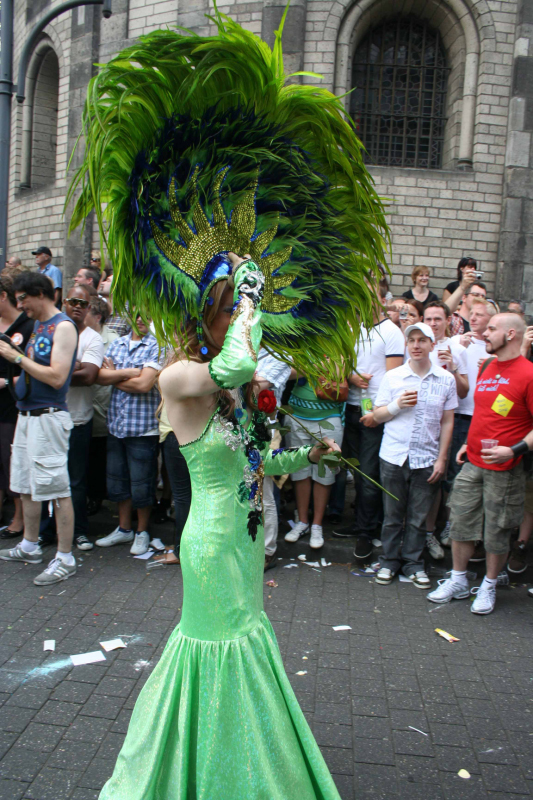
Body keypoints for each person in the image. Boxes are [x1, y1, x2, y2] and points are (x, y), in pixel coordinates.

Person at [427, 313, 533, 614]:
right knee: (460, 520)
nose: (484, 333)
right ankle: (458, 579)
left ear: (511, 334)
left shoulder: (528, 373)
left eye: (491, 329)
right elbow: (484, 412)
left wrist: (513, 450)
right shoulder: (487, 365)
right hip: (473, 459)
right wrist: (465, 443)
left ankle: (488, 585)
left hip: (506, 467)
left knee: (497, 529)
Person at [0, 272, 78, 585]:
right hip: (27, 415)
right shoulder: (38, 326)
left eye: (23, 300)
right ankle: (30, 545)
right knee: (27, 484)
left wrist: (16, 359)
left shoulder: (63, 327)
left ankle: (65, 557)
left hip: (49, 417)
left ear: (40, 294)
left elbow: (58, 377)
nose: (21, 307)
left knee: (57, 489)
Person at [373, 322, 457, 587]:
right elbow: (377, 415)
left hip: (427, 457)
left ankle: (413, 563)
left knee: (419, 517)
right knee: (392, 515)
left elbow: (447, 421)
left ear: (433, 344)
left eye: (422, 340)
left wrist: (442, 458)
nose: (417, 345)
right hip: (394, 455)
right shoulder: (394, 377)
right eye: (412, 341)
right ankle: (388, 561)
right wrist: (397, 405)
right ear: (406, 345)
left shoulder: (446, 379)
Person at [331, 280, 404, 559]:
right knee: (354, 468)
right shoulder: (354, 328)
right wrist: (351, 377)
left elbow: (393, 378)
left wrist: (374, 412)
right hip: (349, 408)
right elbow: (344, 363)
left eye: (370, 290)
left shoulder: (392, 333)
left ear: (383, 297)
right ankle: (361, 525)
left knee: (369, 474)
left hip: (374, 413)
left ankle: (366, 532)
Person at [95, 313, 163, 555]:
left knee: (142, 483)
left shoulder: (157, 345)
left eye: (146, 313)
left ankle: (142, 531)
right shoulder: (117, 343)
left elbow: (144, 385)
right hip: (117, 425)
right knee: (117, 480)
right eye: (136, 313)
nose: (141, 318)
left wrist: (117, 374)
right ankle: (124, 529)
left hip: (143, 428)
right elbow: (100, 376)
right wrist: (132, 373)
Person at [63, 286, 105, 549]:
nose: (78, 306)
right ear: (65, 303)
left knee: (76, 480)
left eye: (83, 303)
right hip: (52, 416)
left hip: (78, 419)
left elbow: (89, 376)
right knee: (51, 478)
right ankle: (47, 531)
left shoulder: (93, 338)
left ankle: (78, 531)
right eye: (73, 301)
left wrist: (57, 370)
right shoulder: (55, 330)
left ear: (89, 308)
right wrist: (74, 366)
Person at [284, 373, 344, 549]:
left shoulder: (336, 349)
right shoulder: (299, 346)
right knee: (299, 470)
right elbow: (287, 371)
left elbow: (342, 373)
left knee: (324, 472)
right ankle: (302, 522)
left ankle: (317, 525)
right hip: (297, 415)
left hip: (328, 416)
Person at [0, 270, 34, 539]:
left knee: (13, 464)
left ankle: (19, 519)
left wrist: (6, 382)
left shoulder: (27, 326)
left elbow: (36, 370)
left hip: (14, 407)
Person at [255, 348, 292, 568]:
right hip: (234, 427)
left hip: (263, 431)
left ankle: (268, 550)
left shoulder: (280, 354)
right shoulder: (241, 346)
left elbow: (256, 385)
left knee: (264, 492)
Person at [85, 296, 118, 515]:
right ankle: (93, 495)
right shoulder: (79, 336)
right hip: (86, 404)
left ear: (97, 317)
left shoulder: (113, 339)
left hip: (104, 406)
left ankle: (99, 496)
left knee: (101, 456)